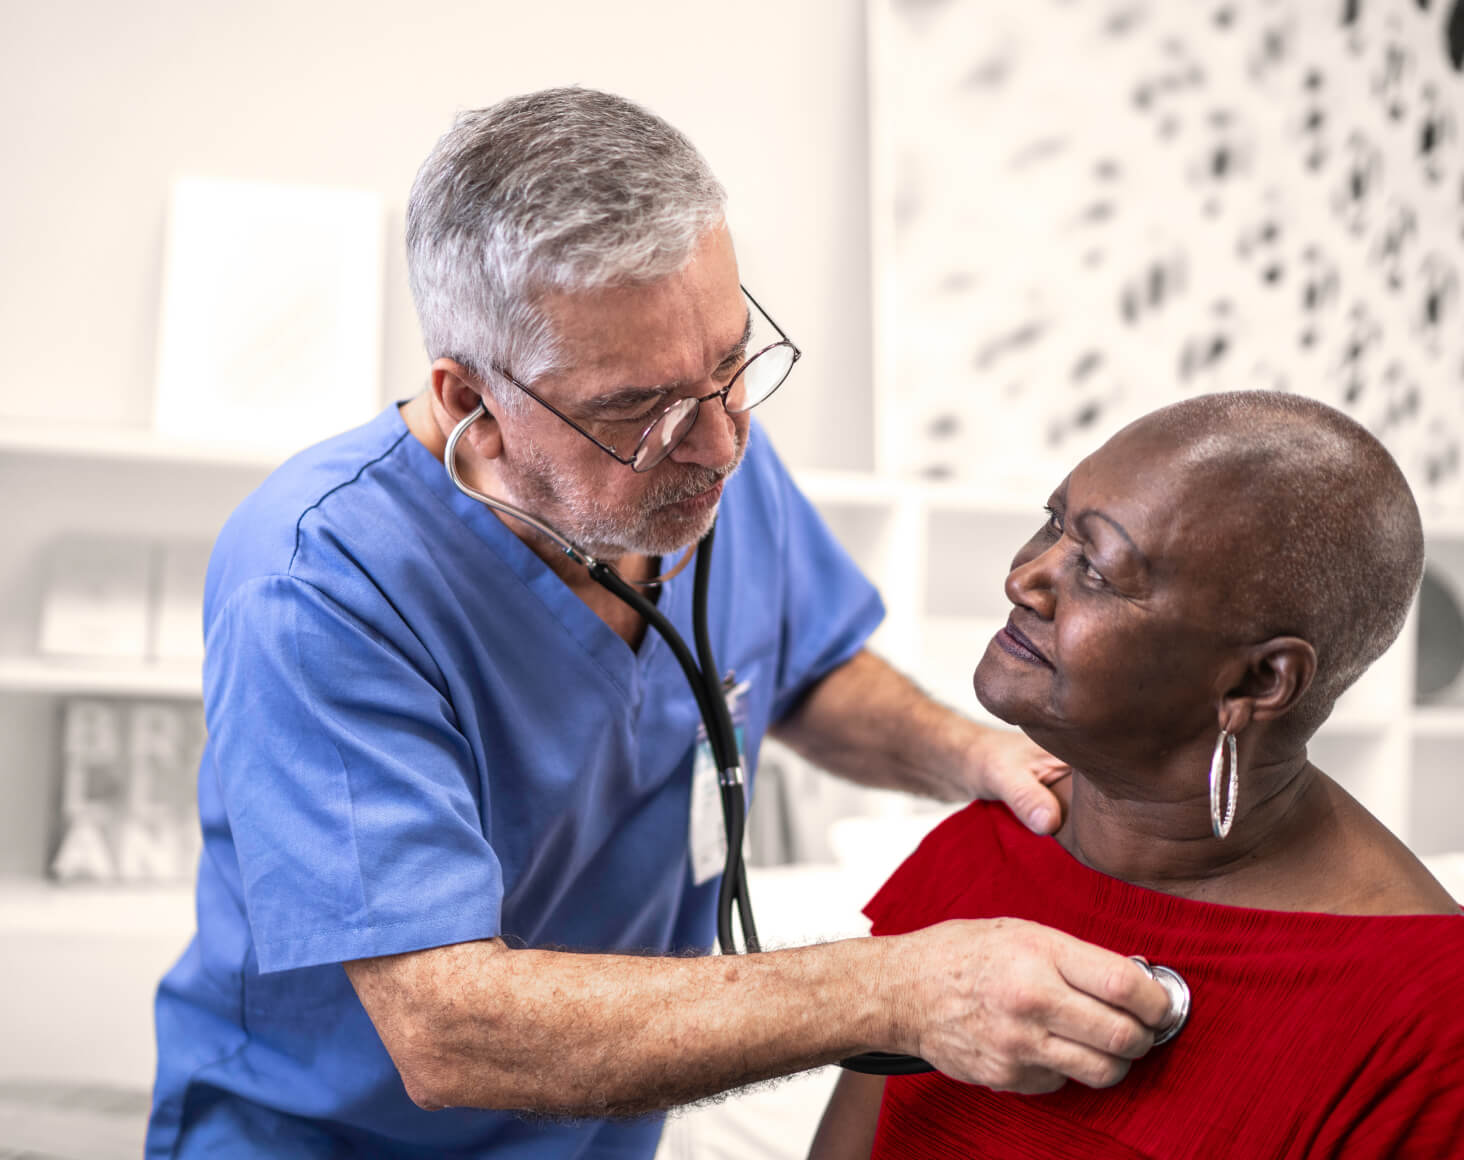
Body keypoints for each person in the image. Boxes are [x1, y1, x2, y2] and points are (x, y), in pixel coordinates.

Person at [144, 87, 1173, 1159]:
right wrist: (899, 988)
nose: (722, 442)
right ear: (469, 403)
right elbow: (446, 1027)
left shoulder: (708, 458)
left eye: (732, 363)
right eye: (643, 408)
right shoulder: (321, 582)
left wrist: (975, 755)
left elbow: (806, 669)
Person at [809, 390, 1464, 1160]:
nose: (1026, 578)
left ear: (1259, 683)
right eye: (1055, 523)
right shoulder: (987, 847)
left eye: (1098, 568)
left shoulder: (1426, 1021)